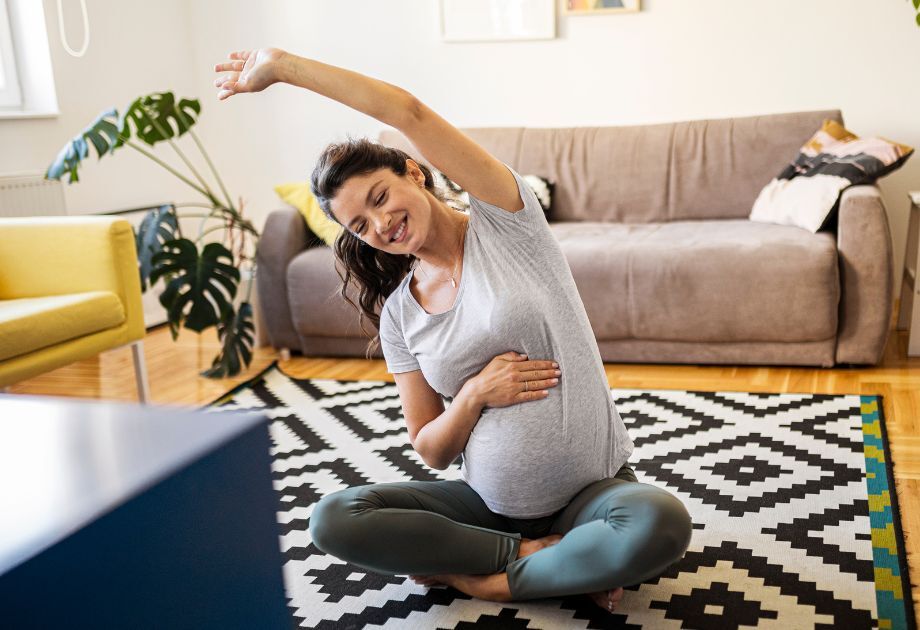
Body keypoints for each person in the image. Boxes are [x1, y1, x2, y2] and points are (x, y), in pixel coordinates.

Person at [214, 48, 692, 614]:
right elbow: (432, 451)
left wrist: (283, 68)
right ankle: (539, 559)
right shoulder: (399, 314)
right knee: (333, 518)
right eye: (360, 225)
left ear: (413, 172)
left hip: (592, 495)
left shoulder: (508, 222)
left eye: (380, 197)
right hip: (484, 507)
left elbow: (408, 113)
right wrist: (471, 397)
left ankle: (482, 579)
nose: (381, 224)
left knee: (660, 522)